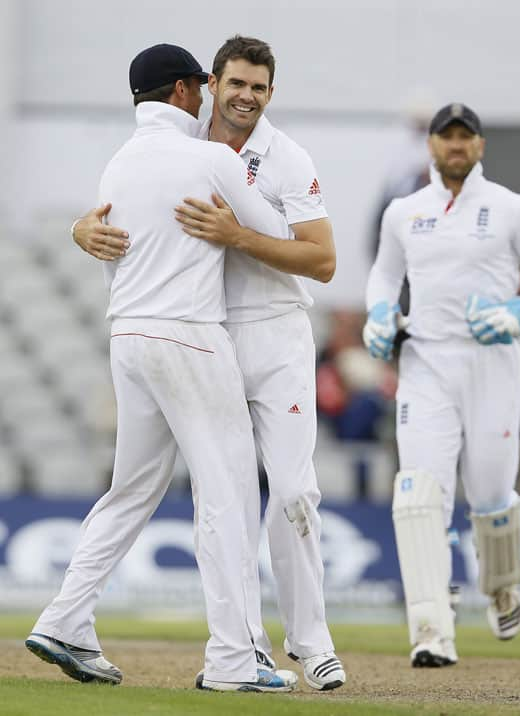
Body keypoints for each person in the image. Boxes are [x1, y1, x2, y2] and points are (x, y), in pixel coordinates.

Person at [71, 36, 345, 691]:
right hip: (207, 334)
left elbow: (324, 260)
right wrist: (79, 229)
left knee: (293, 489)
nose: (246, 96)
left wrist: (238, 237)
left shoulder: (287, 156)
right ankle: (244, 646)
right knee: (221, 501)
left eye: (259, 86)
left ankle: (311, 641)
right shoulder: (182, 134)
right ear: (209, 85)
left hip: (276, 337)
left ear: (270, 93)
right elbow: (123, 199)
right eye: (236, 84)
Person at [363, 103, 520, 667]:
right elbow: (384, 274)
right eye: (445, 137)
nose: (455, 146)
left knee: (491, 498)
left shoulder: (510, 208)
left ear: (479, 146)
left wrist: (519, 315)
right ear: (431, 145)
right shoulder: (404, 212)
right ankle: (431, 626)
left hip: (492, 366)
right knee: (419, 494)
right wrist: (379, 314)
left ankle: (502, 586)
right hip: (425, 363)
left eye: (465, 137)